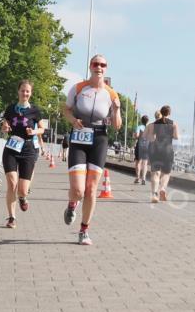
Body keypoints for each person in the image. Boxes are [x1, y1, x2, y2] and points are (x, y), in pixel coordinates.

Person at [63, 54, 122, 245]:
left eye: (103, 65)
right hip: (80, 136)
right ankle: (72, 204)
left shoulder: (111, 94)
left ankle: (84, 230)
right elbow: (66, 110)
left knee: (91, 189)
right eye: (96, 64)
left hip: (99, 138)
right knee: (78, 190)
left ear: (106, 68)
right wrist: (73, 120)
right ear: (90, 66)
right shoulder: (79, 88)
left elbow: (117, 125)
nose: (99, 67)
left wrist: (117, 110)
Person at [0, 80, 44, 228]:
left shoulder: (35, 111)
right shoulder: (10, 108)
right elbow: (5, 123)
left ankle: (23, 197)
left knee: (22, 189)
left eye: (27, 91)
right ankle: (11, 218)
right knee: (12, 183)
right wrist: (5, 126)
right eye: (22, 90)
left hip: (28, 149)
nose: (25, 93)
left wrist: (34, 131)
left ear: (30, 93)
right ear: (18, 91)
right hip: (11, 148)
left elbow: (42, 129)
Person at [147, 106, 179, 203]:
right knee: (166, 173)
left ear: (161, 112)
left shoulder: (154, 124)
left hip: (156, 149)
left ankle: (154, 194)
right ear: (169, 113)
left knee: (155, 173)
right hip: (168, 150)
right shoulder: (174, 124)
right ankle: (162, 189)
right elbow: (176, 137)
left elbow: (151, 137)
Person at [133, 115, 150, 185]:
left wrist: (134, 136)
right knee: (145, 163)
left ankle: (137, 178)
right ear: (147, 121)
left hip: (139, 145)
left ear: (141, 120)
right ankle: (144, 178)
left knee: (138, 162)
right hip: (146, 146)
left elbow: (136, 136)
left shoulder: (139, 127)